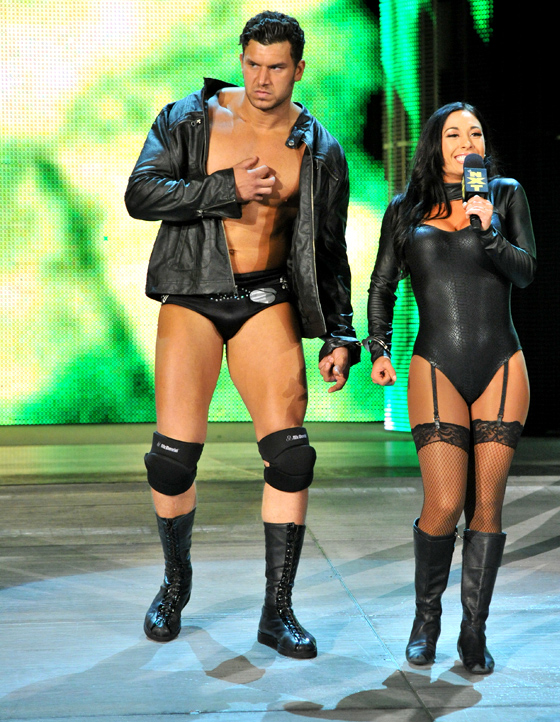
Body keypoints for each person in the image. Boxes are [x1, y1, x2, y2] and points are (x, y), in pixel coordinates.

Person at [124, 11, 360, 660]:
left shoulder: (319, 148)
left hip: (265, 299)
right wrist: (225, 188)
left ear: (299, 69)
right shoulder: (190, 118)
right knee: (171, 460)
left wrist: (341, 333)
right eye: (253, 63)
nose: (261, 78)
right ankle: (175, 584)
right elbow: (140, 194)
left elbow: (330, 250)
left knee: (292, 457)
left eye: (276, 67)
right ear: (241, 59)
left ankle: (277, 612)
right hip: (192, 294)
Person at [365, 102, 536, 674]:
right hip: (435, 363)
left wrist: (488, 231)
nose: (467, 142)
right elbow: (382, 284)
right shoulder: (405, 208)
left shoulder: (504, 195)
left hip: (501, 364)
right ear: (435, 144)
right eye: (454, 133)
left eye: (476, 133)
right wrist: (379, 349)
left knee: (487, 504)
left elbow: (526, 272)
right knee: (442, 503)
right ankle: (426, 621)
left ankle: (473, 632)